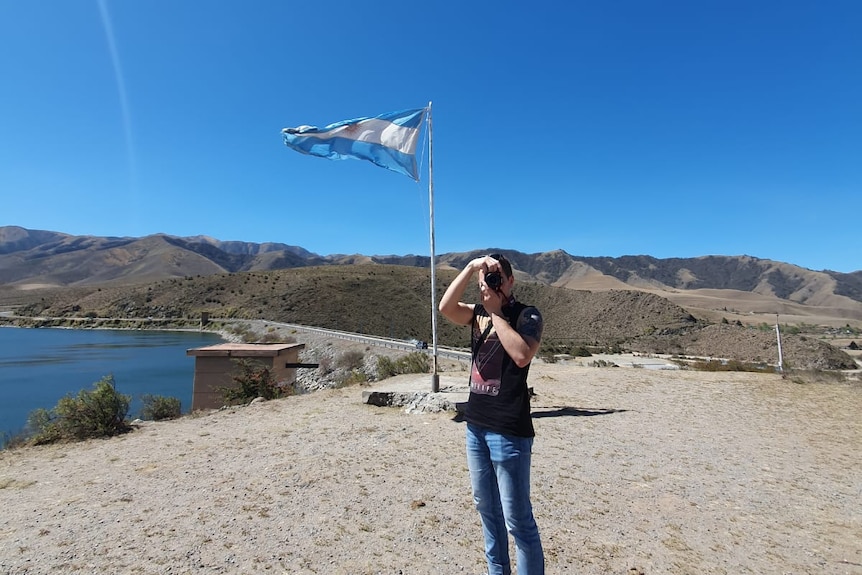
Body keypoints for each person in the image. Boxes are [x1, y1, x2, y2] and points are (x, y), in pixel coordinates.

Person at [438, 253, 545, 575]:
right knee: (486, 508)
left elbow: (522, 355)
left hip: (509, 430)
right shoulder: (477, 313)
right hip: (476, 425)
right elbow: (445, 308)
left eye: (497, 277)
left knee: (517, 518)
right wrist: (471, 269)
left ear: (511, 281)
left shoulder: (527, 315)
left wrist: (497, 312)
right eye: (487, 279)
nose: (492, 283)